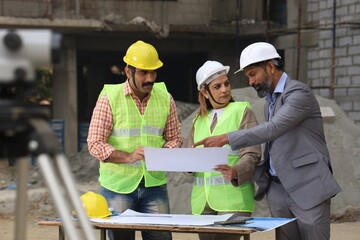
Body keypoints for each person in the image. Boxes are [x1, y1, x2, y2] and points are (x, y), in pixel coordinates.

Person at [193, 42, 341, 240]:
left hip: (307, 186)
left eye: (253, 74)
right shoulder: (270, 101)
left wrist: (225, 138)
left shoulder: (298, 93)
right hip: (278, 189)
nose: (251, 81)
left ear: (270, 67)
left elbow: (272, 129)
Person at [87, 40, 182, 240]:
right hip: (118, 187)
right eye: (143, 72)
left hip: (154, 184)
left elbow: (174, 137)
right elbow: (95, 143)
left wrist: (165, 152)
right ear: (128, 72)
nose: (149, 78)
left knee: (161, 237)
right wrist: (129, 157)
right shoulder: (109, 98)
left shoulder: (165, 97)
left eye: (153, 72)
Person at [187, 60, 261, 240]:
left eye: (226, 84)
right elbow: (189, 160)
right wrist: (186, 163)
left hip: (233, 200)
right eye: (217, 86)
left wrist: (236, 170)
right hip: (202, 203)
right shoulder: (199, 120)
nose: (224, 90)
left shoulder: (242, 111)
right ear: (204, 92)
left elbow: (252, 153)